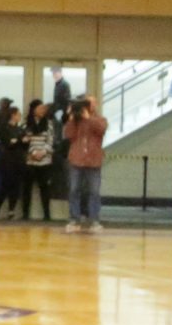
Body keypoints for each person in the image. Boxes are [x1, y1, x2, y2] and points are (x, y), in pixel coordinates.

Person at [64, 96, 108, 233]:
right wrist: (71, 117)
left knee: (94, 191)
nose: (89, 105)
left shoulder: (100, 119)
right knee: (74, 190)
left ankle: (94, 220)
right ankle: (74, 219)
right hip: (76, 159)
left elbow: (101, 130)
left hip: (93, 160)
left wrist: (88, 118)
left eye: (91, 103)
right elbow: (68, 135)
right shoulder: (75, 121)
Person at [20, 101, 58, 221]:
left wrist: (43, 152)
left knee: (44, 188)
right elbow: (26, 140)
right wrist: (33, 152)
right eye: (39, 108)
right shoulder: (26, 124)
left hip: (45, 160)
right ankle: (25, 214)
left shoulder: (49, 124)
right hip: (30, 161)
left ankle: (47, 215)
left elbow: (50, 140)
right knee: (27, 188)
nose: (42, 111)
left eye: (43, 109)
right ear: (33, 110)